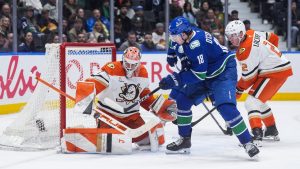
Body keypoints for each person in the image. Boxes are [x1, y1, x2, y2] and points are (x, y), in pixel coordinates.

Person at [159, 16, 260, 158]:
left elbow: (199, 75)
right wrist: (171, 53)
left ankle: (248, 142)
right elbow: (173, 41)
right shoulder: (186, 34)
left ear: (183, 34)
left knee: (225, 107)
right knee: (182, 101)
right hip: (206, 72)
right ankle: (185, 140)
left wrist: (175, 79)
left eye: (176, 36)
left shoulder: (196, 44)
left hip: (222, 72)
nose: (173, 38)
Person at [83, 47, 177, 149]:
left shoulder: (142, 73)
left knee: (157, 139)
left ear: (139, 63)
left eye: (133, 64)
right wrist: (84, 97)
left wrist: (160, 107)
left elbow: (145, 97)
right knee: (112, 145)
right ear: (123, 59)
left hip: (132, 118)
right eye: (127, 63)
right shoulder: (111, 68)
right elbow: (91, 84)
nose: (130, 67)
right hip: (109, 117)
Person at [225, 20, 293, 145]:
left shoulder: (244, 52)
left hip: (274, 72)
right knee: (258, 102)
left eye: (233, 35)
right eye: (229, 36)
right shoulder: (252, 33)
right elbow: (273, 37)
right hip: (275, 69)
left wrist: (238, 90)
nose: (231, 39)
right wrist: (271, 56)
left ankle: (256, 135)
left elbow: (248, 78)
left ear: (241, 33)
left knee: (251, 102)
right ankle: (271, 130)